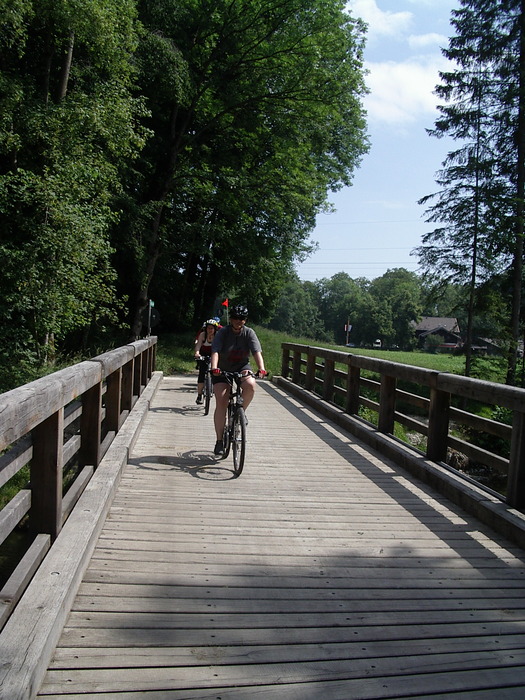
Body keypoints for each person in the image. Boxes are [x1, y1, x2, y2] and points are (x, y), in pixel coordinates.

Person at [210, 304, 267, 455]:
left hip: (242, 366)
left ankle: (241, 412)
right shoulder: (222, 332)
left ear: (245, 320)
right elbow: (215, 351)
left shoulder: (249, 333)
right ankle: (219, 441)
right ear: (230, 319)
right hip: (222, 369)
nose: (238, 321)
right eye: (235, 318)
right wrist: (214, 367)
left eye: (241, 318)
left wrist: (261, 368)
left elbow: (256, 352)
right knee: (222, 400)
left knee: (250, 384)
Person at [193, 319, 219, 404]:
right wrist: (197, 353)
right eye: (208, 328)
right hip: (204, 353)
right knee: (201, 373)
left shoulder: (218, 335)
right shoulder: (202, 335)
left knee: (217, 371)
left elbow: (221, 347)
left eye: (212, 328)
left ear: (215, 329)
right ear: (206, 328)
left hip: (214, 353)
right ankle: (199, 395)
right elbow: (198, 345)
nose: (210, 330)